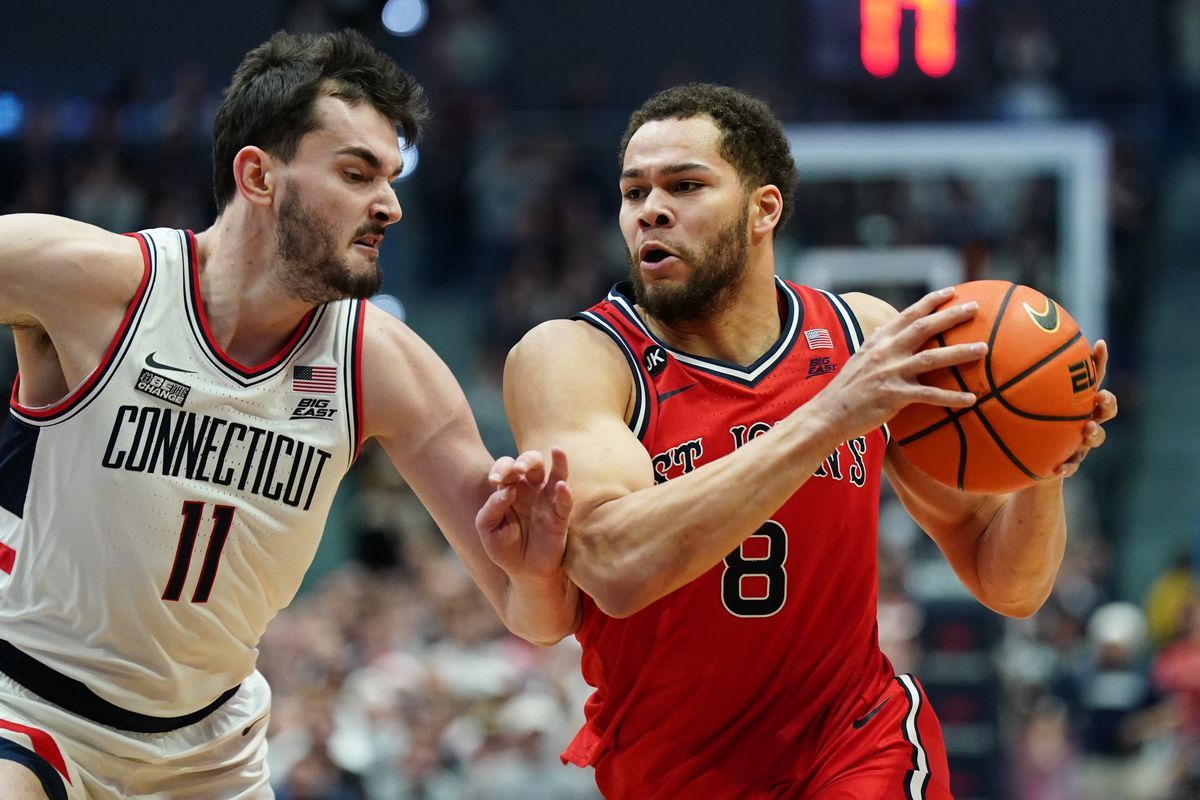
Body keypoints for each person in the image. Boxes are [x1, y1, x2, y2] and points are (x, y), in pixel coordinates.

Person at [483, 83, 1118, 798]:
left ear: (764, 208)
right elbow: (614, 563)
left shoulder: (864, 338)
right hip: (671, 770)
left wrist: (1041, 460)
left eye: (686, 185)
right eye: (634, 193)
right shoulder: (576, 357)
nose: (651, 210)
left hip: (851, 739)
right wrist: (829, 417)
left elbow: (1008, 583)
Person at [0, 29, 575, 800]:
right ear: (258, 176)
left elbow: (530, 614)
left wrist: (534, 567)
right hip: (29, 702)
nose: (390, 205)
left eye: (393, 177)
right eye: (356, 172)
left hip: (210, 749)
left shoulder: (383, 365)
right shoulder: (92, 283)